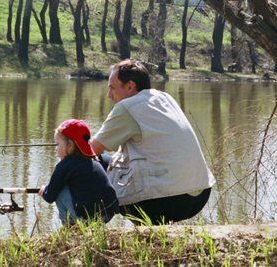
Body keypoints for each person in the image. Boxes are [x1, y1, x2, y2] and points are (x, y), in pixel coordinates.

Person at [90, 59, 215, 225]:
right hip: (199, 195)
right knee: (108, 162)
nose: (109, 95)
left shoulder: (126, 107)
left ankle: (89, 227)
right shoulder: (164, 97)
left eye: (112, 88)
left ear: (130, 86)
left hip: (165, 202)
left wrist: (68, 144)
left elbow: (90, 151)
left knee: (89, 165)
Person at [39, 119, 119, 225]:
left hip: (90, 218)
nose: (55, 149)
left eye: (57, 145)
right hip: (109, 211)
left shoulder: (65, 165)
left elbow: (50, 196)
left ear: (70, 145)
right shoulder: (94, 161)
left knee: (60, 189)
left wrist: (44, 190)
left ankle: (69, 226)